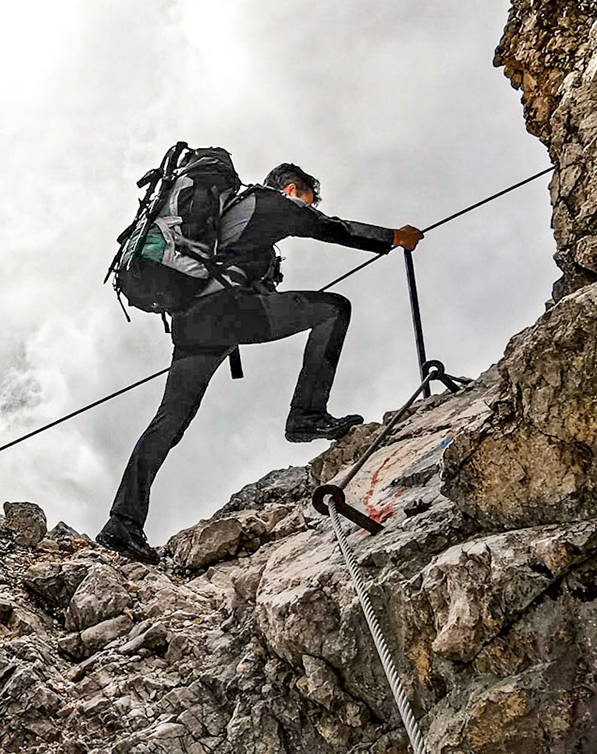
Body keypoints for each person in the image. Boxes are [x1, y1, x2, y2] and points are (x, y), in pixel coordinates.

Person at [96, 162, 422, 563]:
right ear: (291, 188)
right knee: (334, 309)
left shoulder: (230, 219)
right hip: (227, 313)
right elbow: (329, 227)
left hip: (193, 326)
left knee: (170, 421)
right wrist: (391, 238)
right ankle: (306, 414)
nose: (308, 204)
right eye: (306, 196)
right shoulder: (269, 202)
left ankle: (122, 522)